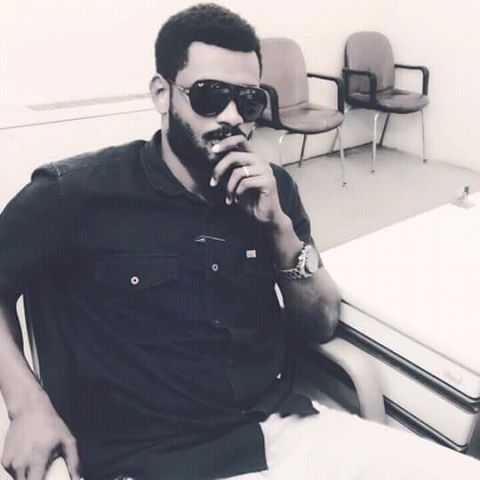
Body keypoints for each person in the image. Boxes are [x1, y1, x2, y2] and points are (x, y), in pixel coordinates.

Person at [0, 3, 479, 480]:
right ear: (162, 94)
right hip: (151, 457)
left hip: (278, 431)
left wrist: (279, 229)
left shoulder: (272, 188)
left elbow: (320, 323)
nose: (232, 117)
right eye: (210, 96)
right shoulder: (78, 193)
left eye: (248, 101)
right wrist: (27, 405)